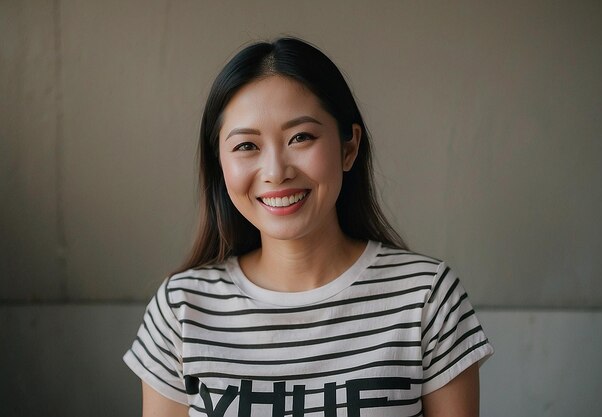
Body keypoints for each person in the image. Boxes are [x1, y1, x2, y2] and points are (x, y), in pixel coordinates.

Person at [124, 37, 493, 417]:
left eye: (301, 137)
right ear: (220, 163)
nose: (275, 172)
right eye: (247, 146)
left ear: (348, 148)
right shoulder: (182, 308)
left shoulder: (427, 298)